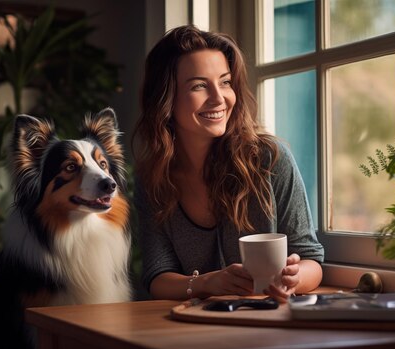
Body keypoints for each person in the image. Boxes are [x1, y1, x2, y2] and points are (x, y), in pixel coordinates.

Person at [132, 25, 324, 302]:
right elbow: (157, 276)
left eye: (225, 82)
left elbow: (311, 260)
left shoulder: (271, 159)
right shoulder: (152, 178)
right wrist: (208, 282)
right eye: (199, 85)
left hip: (269, 322)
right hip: (192, 327)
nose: (219, 98)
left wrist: (295, 278)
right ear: (165, 99)